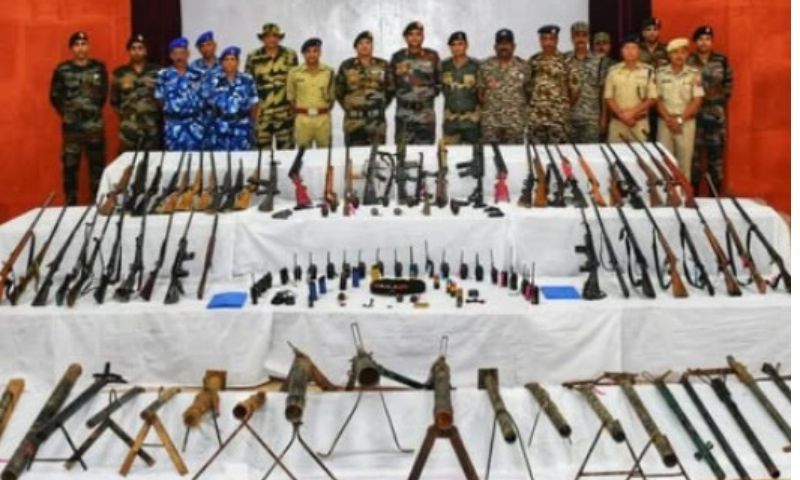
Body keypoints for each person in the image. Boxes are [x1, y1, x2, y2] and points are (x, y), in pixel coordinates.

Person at [49, 31, 108, 205]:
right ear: (71, 48)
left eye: (83, 44)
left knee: (97, 166)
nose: (81, 48)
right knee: (70, 167)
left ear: (88, 46)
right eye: (77, 45)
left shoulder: (98, 68)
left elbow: (103, 94)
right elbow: (54, 96)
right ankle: (70, 203)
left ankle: (97, 202)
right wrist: (68, 113)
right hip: (72, 128)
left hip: (94, 126)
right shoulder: (62, 70)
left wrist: (91, 111)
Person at [688, 25, 733, 194]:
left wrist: (716, 100)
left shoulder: (721, 60)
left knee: (716, 158)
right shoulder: (688, 60)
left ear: (711, 42)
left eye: (707, 39)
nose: (704, 42)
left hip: (715, 117)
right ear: (695, 42)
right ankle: (694, 194)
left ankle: (715, 195)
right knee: (694, 159)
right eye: (700, 39)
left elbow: (729, 85)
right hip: (694, 116)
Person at [655, 38, 704, 178]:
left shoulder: (694, 74)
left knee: (684, 164)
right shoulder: (660, 73)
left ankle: (683, 191)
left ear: (687, 54)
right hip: (665, 123)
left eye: (683, 52)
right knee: (664, 163)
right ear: (669, 55)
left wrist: (680, 120)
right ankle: (667, 192)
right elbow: (657, 99)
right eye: (675, 52)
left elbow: (697, 100)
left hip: (686, 123)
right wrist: (669, 119)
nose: (679, 56)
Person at [335, 31, 394, 146]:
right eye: (361, 43)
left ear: (372, 45)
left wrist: (378, 105)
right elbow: (338, 91)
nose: (364, 46)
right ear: (356, 47)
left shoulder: (383, 65)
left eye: (368, 43)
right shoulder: (346, 66)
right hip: (354, 122)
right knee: (354, 155)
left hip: (376, 122)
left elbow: (390, 90)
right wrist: (352, 106)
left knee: (377, 155)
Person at [245, 23, 298, 148]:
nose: (271, 39)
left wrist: (295, 106)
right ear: (262, 39)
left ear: (279, 38)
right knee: (261, 154)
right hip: (262, 114)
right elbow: (248, 85)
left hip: (285, 114)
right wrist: (252, 109)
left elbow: (295, 83)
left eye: (274, 36)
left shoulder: (290, 55)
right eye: (267, 36)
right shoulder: (253, 57)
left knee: (287, 153)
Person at [528, 25, 580, 144]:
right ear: (540, 41)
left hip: (558, 119)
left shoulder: (567, 61)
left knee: (559, 152)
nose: (548, 43)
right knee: (537, 151)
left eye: (551, 39)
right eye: (544, 39)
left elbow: (575, 90)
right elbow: (527, 88)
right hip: (537, 119)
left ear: (556, 40)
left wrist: (563, 106)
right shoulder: (533, 60)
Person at [390, 21, 440, 145]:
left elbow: (439, 83)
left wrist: (424, 96)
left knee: (426, 152)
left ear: (423, 37)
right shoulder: (397, 57)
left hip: (425, 115)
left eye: (418, 34)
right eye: (411, 34)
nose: (414, 37)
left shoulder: (432, 56)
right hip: (404, 114)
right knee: (402, 152)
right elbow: (391, 84)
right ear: (405, 37)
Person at [478, 29, 531, 144]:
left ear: (513, 46)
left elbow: (528, 93)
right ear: (495, 47)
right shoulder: (485, 66)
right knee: (490, 154)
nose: (503, 47)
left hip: (515, 124)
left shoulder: (524, 67)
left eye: (507, 44)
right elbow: (480, 95)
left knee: (515, 154)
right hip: (491, 125)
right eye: (500, 44)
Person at [110, 34, 161, 152]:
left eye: (140, 48)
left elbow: (163, 99)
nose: (137, 51)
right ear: (129, 51)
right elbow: (114, 101)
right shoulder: (120, 73)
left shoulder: (157, 72)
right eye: (133, 48)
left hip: (151, 128)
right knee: (127, 161)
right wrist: (128, 117)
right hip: (129, 129)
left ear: (146, 51)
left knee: (151, 161)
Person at [204, 47, 259, 150]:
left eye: (233, 59)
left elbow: (254, 104)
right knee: (220, 158)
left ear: (238, 62)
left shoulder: (247, 79)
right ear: (221, 63)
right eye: (226, 60)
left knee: (242, 158)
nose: (230, 63)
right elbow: (207, 104)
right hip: (219, 127)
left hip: (242, 127)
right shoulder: (213, 80)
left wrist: (251, 124)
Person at [603, 34, 657, 142]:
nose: (630, 51)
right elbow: (608, 97)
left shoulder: (648, 71)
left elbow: (652, 98)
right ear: (621, 51)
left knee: (640, 152)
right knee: (616, 152)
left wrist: (632, 113)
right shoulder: (613, 71)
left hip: (639, 123)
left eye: (633, 48)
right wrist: (622, 116)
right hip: (617, 123)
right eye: (626, 48)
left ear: (639, 51)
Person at [154, 37, 205, 151]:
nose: (179, 57)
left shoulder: (199, 74)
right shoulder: (163, 75)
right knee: (173, 158)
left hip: (194, 125)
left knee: (194, 158)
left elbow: (205, 98)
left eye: (182, 53)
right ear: (171, 56)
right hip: (173, 125)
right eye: (175, 54)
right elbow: (159, 100)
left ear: (188, 54)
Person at [566, 22, 610, 143]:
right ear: (572, 38)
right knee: (568, 152)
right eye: (577, 35)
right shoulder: (564, 59)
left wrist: (603, 117)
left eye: (584, 35)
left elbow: (603, 92)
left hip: (591, 119)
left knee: (590, 152)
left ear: (588, 37)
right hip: (568, 118)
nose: (580, 39)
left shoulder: (599, 61)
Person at [287, 38, 335, 148]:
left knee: (325, 153)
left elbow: (332, 97)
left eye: (315, 51)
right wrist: (302, 112)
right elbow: (291, 97)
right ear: (303, 54)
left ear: (320, 52)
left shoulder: (329, 72)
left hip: (323, 120)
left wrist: (321, 110)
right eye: (308, 51)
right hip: (303, 120)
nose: (312, 54)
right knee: (303, 154)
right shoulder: (294, 73)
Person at [440, 31, 481, 144]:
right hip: (451, 122)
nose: (457, 48)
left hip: (472, 122)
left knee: (474, 152)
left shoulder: (476, 66)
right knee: (450, 152)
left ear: (466, 45)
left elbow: (482, 91)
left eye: (460, 44)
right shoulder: (443, 66)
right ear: (449, 47)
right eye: (453, 45)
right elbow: (438, 87)